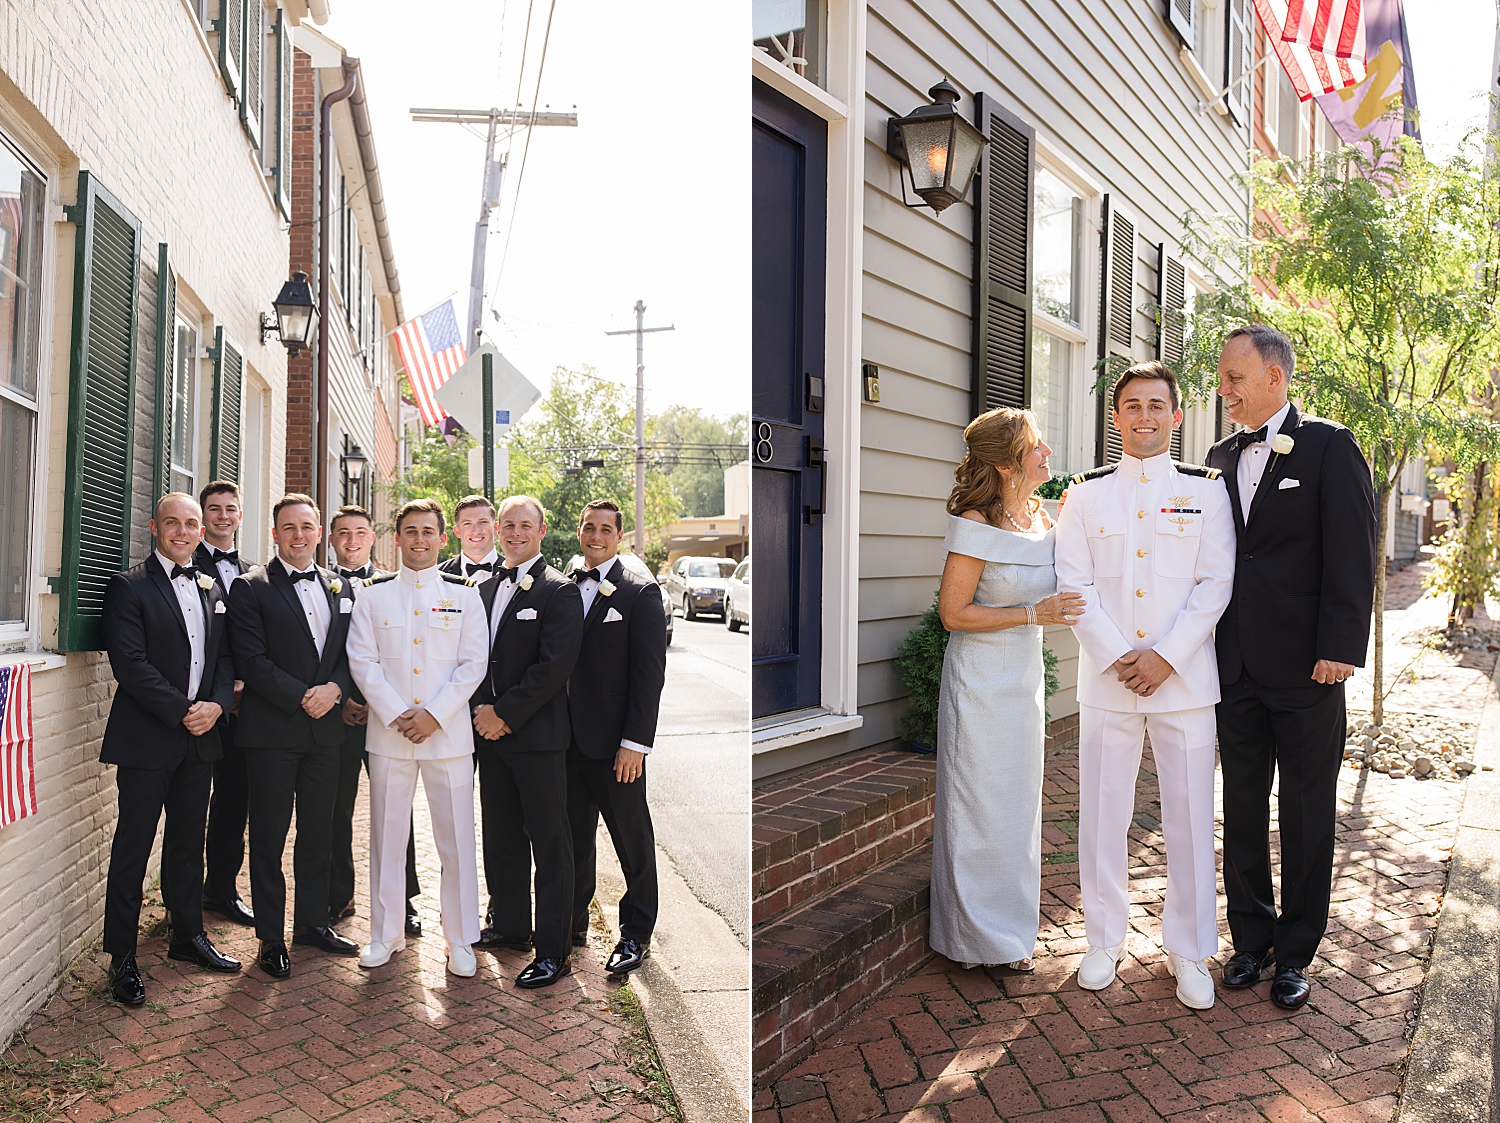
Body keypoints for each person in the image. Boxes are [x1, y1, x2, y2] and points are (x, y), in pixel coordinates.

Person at [1054, 361, 1236, 1010]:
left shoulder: (1207, 491)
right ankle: (1102, 938)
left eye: (1157, 405)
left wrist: (1164, 657)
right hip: (1108, 682)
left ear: (1176, 417)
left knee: (1189, 818)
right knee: (1104, 816)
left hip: (1183, 682)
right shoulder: (1085, 494)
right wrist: (1118, 656)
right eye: (1132, 406)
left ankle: (1189, 948)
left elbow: (1214, 584)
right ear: (1116, 418)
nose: (1145, 416)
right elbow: (1072, 585)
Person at [1205, 325, 1376, 1010]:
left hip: (1310, 669)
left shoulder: (1331, 445)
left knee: (1305, 811)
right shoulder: (1219, 454)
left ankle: (1297, 951)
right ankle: (1250, 939)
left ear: (1275, 377)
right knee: (1241, 806)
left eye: (1235, 377)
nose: (1225, 389)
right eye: (1222, 376)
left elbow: (1353, 553)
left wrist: (1341, 646)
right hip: (1236, 666)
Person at [929, 408, 1084, 973]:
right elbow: (953, 613)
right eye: (1036, 447)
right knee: (976, 806)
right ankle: (971, 940)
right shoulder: (976, 523)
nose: (1048, 453)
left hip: (1022, 680)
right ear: (1004, 463)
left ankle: (1013, 934)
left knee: (1017, 809)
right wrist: (1030, 614)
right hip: (978, 681)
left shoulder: (1040, 518)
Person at [100, 493, 240, 1005]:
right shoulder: (129, 586)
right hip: (148, 737)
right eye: (173, 523)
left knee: (187, 842)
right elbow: (131, 665)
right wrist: (185, 708)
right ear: (155, 528)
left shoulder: (208, 585)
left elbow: (225, 658)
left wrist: (216, 706)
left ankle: (187, 936)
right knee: (133, 847)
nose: (183, 532)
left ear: (202, 531)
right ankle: (123, 957)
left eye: (192, 524)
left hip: (201, 736)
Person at [346, 499, 489, 976]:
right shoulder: (372, 597)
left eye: (429, 531)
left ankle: (461, 939)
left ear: (442, 538)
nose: (420, 540)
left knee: (455, 842)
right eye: (411, 532)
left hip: (447, 737)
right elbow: (362, 662)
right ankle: (385, 935)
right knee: (387, 838)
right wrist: (398, 713)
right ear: (398, 538)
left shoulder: (466, 597)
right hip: (390, 736)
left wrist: (434, 715)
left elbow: (473, 665)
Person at [228, 494, 359, 978]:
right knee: (268, 837)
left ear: (319, 532)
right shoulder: (250, 587)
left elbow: (352, 653)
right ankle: (269, 937)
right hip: (271, 734)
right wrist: (305, 694)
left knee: (319, 833)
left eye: (307, 527)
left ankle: (312, 924)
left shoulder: (341, 586)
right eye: (289, 527)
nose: (299, 535)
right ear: (274, 534)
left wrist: (337, 688)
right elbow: (251, 660)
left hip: (326, 736)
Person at [471, 495, 585, 988]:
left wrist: (504, 714)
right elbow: (474, 657)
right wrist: (480, 711)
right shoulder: (484, 586)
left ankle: (553, 949)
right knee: (501, 837)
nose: (516, 533)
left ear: (542, 531)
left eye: (526, 525)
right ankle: (511, 926)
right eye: (508, 525)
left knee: (550, 842)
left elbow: (553, 667)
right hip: (489, 738)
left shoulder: (559, 592)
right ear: (498, 530)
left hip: (536, 738)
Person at [565, 500, 668, 975]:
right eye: (589, 527)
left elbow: (649, 678)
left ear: (619, 536)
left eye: (606, 529)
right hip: (566, 743)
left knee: (631, 839)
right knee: (573, 839)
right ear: (579, 531)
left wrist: (635, 743)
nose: (596, 535)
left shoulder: (639, 592)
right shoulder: (563, 584)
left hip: (615, 748)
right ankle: (571, 924)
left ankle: (635, 934)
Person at [326, 505, 422, 938]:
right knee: (334, 807)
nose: (351, 541)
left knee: (396, 810)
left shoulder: (390, 586)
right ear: (332, 539)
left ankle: (404, 900)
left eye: (360, 533)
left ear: (373, 538)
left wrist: (382, 704)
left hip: (388, 716)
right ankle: (336, 894)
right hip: (337, 716)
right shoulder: (319, 584)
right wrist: (344, 697)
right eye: (343, 533)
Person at [195, 480, 255, 929]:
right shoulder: (183, 564)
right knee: (192, 800)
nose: (222, 516)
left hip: (245, 708)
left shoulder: (255, 573)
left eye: (229, 509)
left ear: (239, 515)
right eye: (213, 509)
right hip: (198, 705)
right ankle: (184, 891)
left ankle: (222, 889)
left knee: (235, 799)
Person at [440, 495, 501, 581]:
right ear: (457, 531)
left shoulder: (515, 572)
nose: (476, 530)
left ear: (495, 528)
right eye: (467, 524)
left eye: (483, 522)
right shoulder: (439, 576)